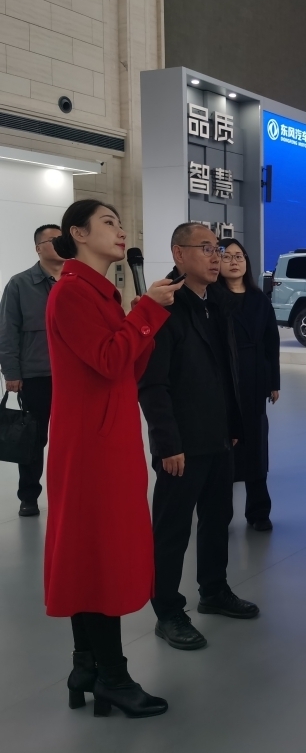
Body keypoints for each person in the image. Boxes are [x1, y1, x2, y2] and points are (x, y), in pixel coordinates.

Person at [45, 199, 180, 718]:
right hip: (92, 446)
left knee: (89, 551)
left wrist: (145, 317)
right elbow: (106, 360)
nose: (121, 231)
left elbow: (126, 363)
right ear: (77, 233)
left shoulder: (99, 292)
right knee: (99, 554)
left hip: (107, 437)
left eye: (121, 223)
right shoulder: (72, 293)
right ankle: (113, 676)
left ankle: (87, 665)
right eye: (108, 223)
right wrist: (145, 313)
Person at [139, 223, 258, 652]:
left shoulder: (217, 303)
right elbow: (152, 384)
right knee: (172, 529)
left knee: (217, 517)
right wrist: (167, 444)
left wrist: (233, 427)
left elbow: (227, 372)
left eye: (218, 248)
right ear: (178, 254)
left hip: (219, 436)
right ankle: (168, 611)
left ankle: (214, 590)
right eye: (205, 248)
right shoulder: (165, 307)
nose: (215, 257)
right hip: (182, 444)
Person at [0, 224, 64, 517]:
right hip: (37, 375)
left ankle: (68, 494)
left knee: (71, 439)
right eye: (53, 240)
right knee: (34, 438)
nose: (60, 244)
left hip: (72, 377)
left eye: (62, 239)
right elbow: (7, 331)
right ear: (38, 248)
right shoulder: (20, 284)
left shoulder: (76, 281)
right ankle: (28, 496)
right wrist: (12, 372)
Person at [218, 237, 281, 532]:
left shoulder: (259, 299)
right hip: (223, 378)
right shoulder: (213, 298)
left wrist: (273, 381)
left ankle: (258, 511)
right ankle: (219, 512)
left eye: (239, 256)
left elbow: (271, 342)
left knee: (256, 446)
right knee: (224, 448)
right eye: (227, 256)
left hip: (255, 377)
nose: (234, 261)